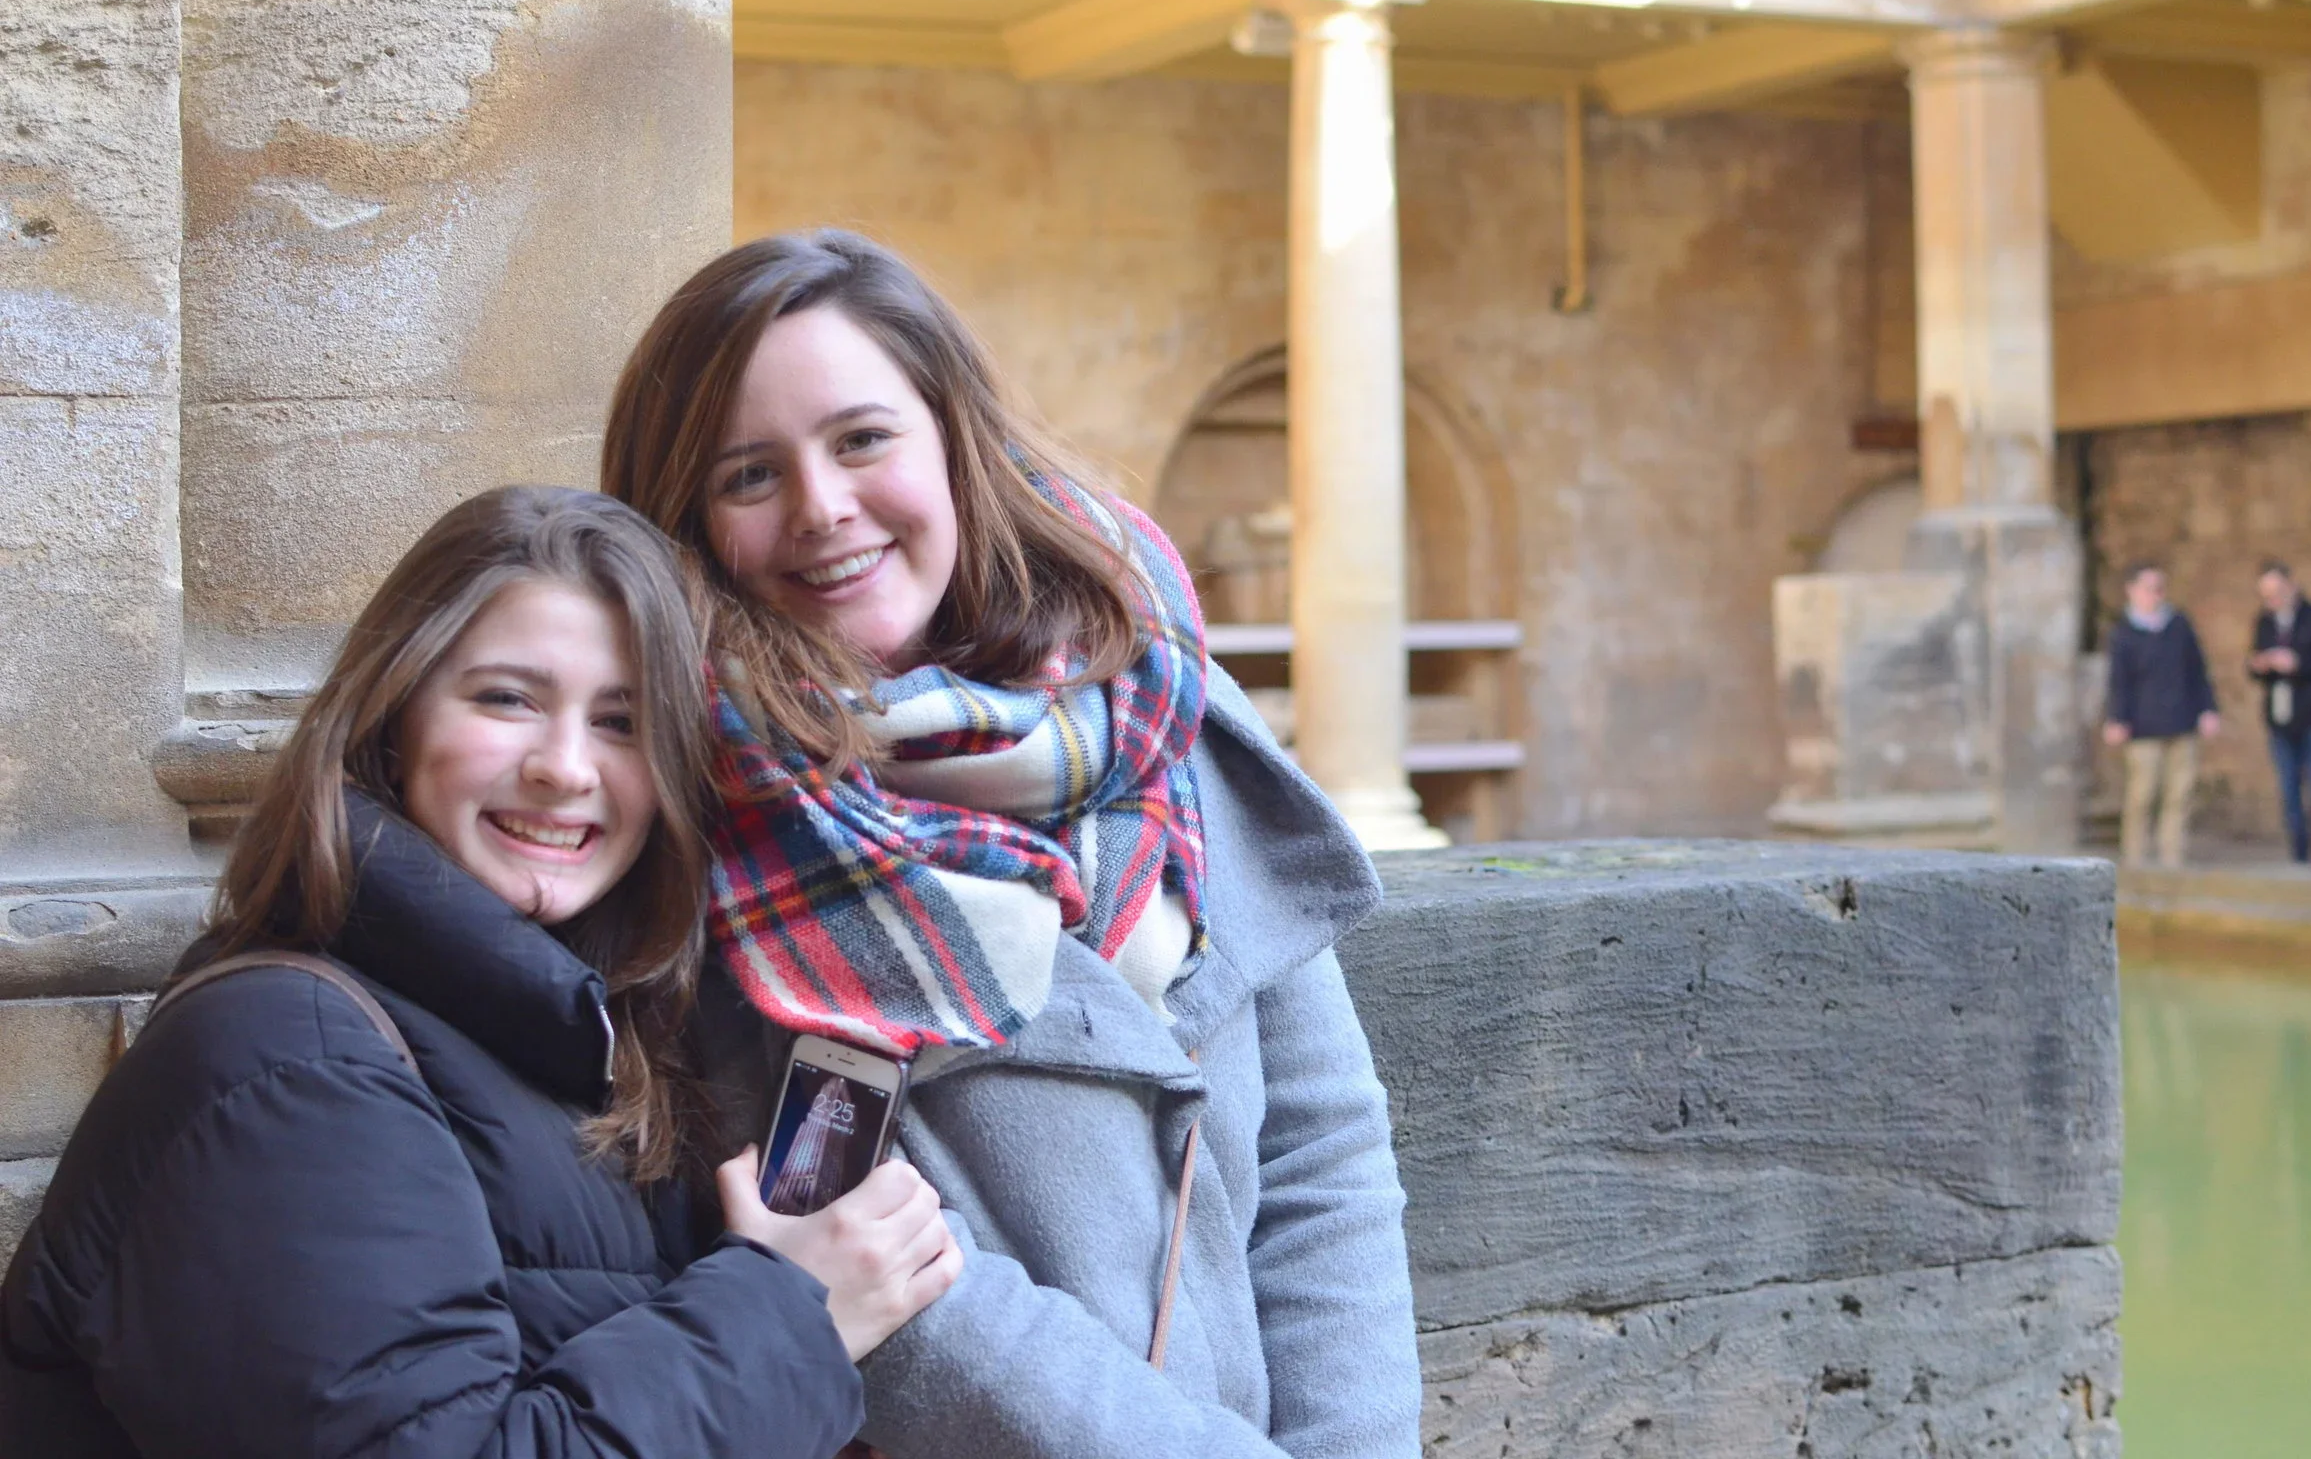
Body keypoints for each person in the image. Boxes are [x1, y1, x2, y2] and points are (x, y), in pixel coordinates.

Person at [603, 229, 1423, 1459]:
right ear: (688, 523)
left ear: (951, 439)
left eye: (862, 438)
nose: (824, 507)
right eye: (750, 475)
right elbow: (878, 1272)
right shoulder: (723, 812)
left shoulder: (1157, 708)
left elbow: (1321, 1145)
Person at [0, 486, 959, 1458]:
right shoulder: (288, 1061)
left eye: (621, 721)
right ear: (392, 718)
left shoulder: (588, 1048)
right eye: (507, 698)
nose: (565, 767)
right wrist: (791, 1310)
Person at [2102, 562, 2221, 868]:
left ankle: (2172, 858)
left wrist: (2208, 709)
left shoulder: (2179, 625)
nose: (2156, 595)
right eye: (2149, 588)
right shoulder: (2123, 633)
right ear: (2132, 591)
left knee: (2179, 795)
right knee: (2142, 796)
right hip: (2143, 727)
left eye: (2160, 589)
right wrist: (2117, 718)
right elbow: (2118, 681)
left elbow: (2198, 670)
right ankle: (2136, 859)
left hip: (2182, 721)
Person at [2245, 561, 2311, 863]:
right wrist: (2260, 665)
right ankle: (2299, 856)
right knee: (2289, 791)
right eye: (2266, 595)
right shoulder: (2265, 622)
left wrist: (2298, 663)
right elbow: (2254, 663)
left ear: (2292, 586)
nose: (2272, 600)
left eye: (2276, 592)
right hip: (2280, 718)